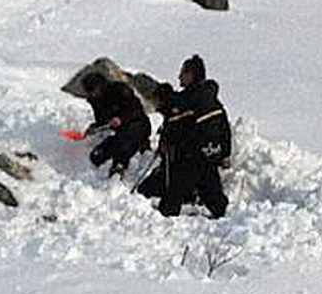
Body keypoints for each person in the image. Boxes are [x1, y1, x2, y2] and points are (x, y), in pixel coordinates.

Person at [137, 55, 229, 218]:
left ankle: (165, 221)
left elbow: (178, 121)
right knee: (212, 195)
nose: (179, 77)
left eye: (183, 73)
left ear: (192, 74)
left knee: (171, 194)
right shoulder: (208, 97)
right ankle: (227, 216)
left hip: (191, 157)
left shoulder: (190, 99)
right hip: (208, 155)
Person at [81, 72, 151, 177]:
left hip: (137, 125)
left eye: (92, 90)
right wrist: (95, 127)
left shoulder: (120, 90)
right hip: (120, 133)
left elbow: (136, 109)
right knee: (97, 156)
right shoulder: (95, 101)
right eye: (89, 92)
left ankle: (122, 164)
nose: (91, 94)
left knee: (122, 149)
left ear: (100, 86)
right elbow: (102, 121)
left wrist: (121, 118)